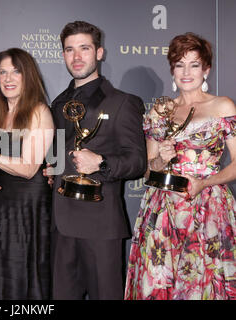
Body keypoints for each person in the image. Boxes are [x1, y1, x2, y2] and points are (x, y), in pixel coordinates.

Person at [125, 32, 236, 300]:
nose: (186, 72)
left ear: (206, 69)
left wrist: (205, 182)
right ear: (172, 69)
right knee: (161, 283)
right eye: (179, 64)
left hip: (208, 208)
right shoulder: (159, 112)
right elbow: (150, 172)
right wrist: (161, 158)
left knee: (205, 283)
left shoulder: (222, 106)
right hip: (163, 210)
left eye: (194, 64)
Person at [49, 21, 146, 300]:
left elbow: (137, 161)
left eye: (84, 48)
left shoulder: (122, 102)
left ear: (99, 53)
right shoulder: (57, 104)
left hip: (100, 226)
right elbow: (57, 155)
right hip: (60, 224)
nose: (76, 57)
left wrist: (101, 162)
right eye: (69, 49)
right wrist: (50, 168)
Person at [0, 48, 54, 299]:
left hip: (27, 207)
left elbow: (28, 168)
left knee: (21, 275)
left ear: (28, 75)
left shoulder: (39, 111)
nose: (7, 78)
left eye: (15, 71)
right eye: (2, 72)